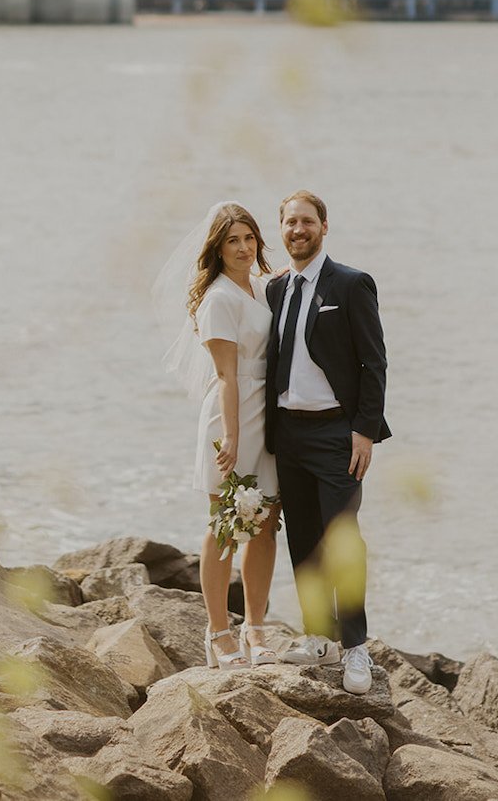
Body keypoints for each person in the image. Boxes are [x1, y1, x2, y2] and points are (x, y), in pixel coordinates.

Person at [265, 189, 389, 695]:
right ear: (282, 229)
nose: (298, 230)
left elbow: (374, 362)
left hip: (338, 433)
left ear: (324, 226)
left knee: (343, 540)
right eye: (290, 222)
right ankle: (318, 637)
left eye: (307, 222)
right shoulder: (274, 290)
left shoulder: (351, 284)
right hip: (287, 432)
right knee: (303, 538)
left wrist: (365, 429)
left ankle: (355, 647)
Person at [160, 201, 281, 669]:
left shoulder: (260, 287)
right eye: (233, 240)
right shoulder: (217, 300)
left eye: (249, 238)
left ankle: (255, 628)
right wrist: (230, 439)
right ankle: (217, 632)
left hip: (267, 416)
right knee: (225, 524)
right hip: (231, 416)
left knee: (266, 524)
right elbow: (228, 376)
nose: (243, 248)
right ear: (218, 247)